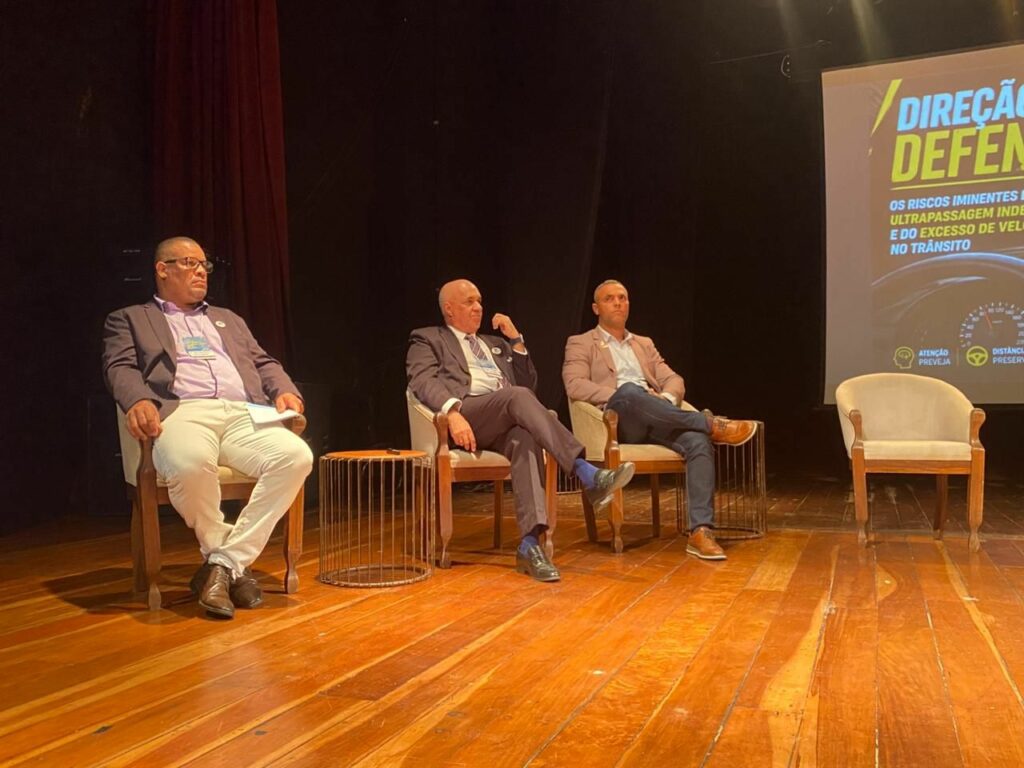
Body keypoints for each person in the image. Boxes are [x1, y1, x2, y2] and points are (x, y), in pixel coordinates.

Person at [102, 236, 313, 618]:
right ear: (162, 269)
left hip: (243, 411)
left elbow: (263, 363)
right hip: (183, 410)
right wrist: (138, 400)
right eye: (189, 263)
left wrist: (285, 390)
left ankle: (223, 564)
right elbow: (120, 367)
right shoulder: (130, 318)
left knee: (297, 456)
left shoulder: (228, 319)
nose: (201, 271)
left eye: (204, 265)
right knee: (188, 463)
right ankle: (232, 565)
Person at [406, 278, 636, 582]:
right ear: (449, 309)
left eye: (479, 301)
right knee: (515, 397)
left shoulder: (495, 343)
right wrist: (452, 412)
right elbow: (422, 381)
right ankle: (585, 472)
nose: (478, 307)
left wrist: (515, 341)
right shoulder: (427, 338)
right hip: (468, 412)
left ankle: (529, 546)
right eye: (469, 302)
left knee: (525, 438)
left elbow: (529, 388)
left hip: (504, 417)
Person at [562, 279, 756, 560]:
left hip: (656, 416)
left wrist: (663, 399)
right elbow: (575, 385)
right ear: (595, 308)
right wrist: (624, 395)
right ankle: (710, 424)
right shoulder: (581, 342)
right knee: (630, 392)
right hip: (617, 422)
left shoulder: (643, 343)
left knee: (697, 442)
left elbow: (674, 379)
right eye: (609, 299)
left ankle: (700, 531)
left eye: (622, 298)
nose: (618, 303)